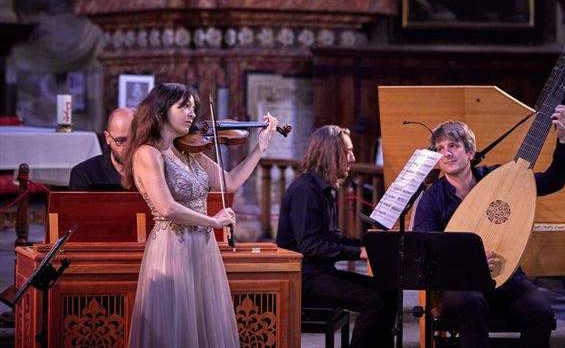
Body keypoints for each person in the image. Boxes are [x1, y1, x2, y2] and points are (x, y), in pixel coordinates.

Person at [122, 83, 279, 348]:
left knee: (203, 324)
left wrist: (260, 147)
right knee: (176, 328)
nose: (192, 114)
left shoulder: (188, 150)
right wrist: (213, 221)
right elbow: (166, 208)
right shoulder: (147, 153)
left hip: (202, 248)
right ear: (161, 110)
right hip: (172, 247)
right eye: (183, 107)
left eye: (193, 108)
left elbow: (229, 183)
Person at [413, 104, 565, 348]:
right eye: (440, 149)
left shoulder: (499, 179)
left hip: (507, 278)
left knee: (541, 313)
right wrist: (468, 262)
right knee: (473, 302)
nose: (446, 154)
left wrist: (563, 140)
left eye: (453, 146)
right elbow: (423, 250)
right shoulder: (432, 199)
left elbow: (553, 181)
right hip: (461, 284)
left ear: (471, 152)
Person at [276, 125, 397, 348]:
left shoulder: (320, 188)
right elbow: (310, 246)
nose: (353, 157)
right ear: (331, 154)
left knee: (389, 292)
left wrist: (369, 244)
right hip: (303, 277)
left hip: (320, 272)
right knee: (376, 301)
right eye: (348, 151)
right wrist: (358, 253)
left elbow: (329, 236)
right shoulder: (305, 190)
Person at [68, 107, 135, 191]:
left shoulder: (152, 170)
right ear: (107, 138)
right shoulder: (84, 174)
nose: (128, 147)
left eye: (134, 140)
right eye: (121, 140)